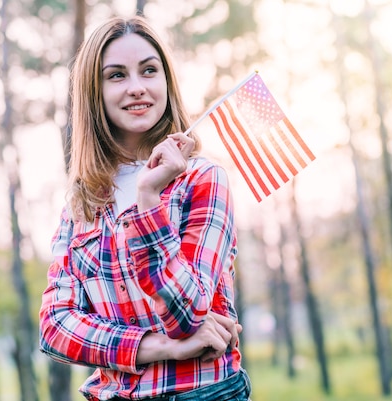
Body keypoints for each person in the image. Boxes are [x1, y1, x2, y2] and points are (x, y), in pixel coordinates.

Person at [38, 15, 251, 401]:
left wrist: (148, 199)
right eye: (117, 75)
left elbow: (188, 315)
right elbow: (55, 328)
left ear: (166, 81)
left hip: (200, 392)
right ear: (95, 91)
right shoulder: (82, 203)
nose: (137, 88)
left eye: (149, 71)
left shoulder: (202, 180)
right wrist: (159, 346)